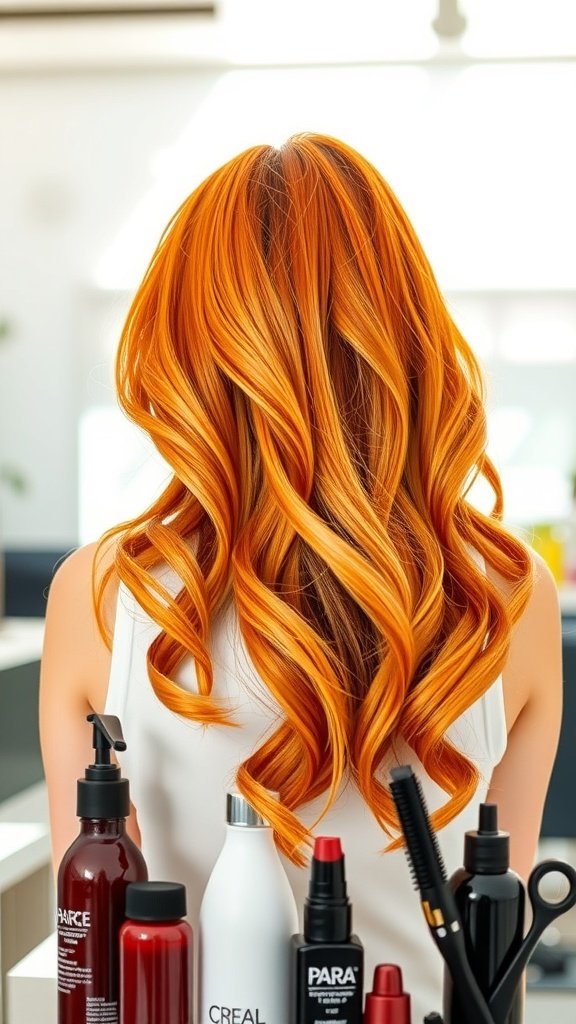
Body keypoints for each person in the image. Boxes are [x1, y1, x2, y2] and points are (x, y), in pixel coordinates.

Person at [39, 132, 563, 1019]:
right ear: (407, 339)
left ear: (189, 349)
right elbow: (487, 950)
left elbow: (95, 975)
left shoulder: (99, 599)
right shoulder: (510, 600)